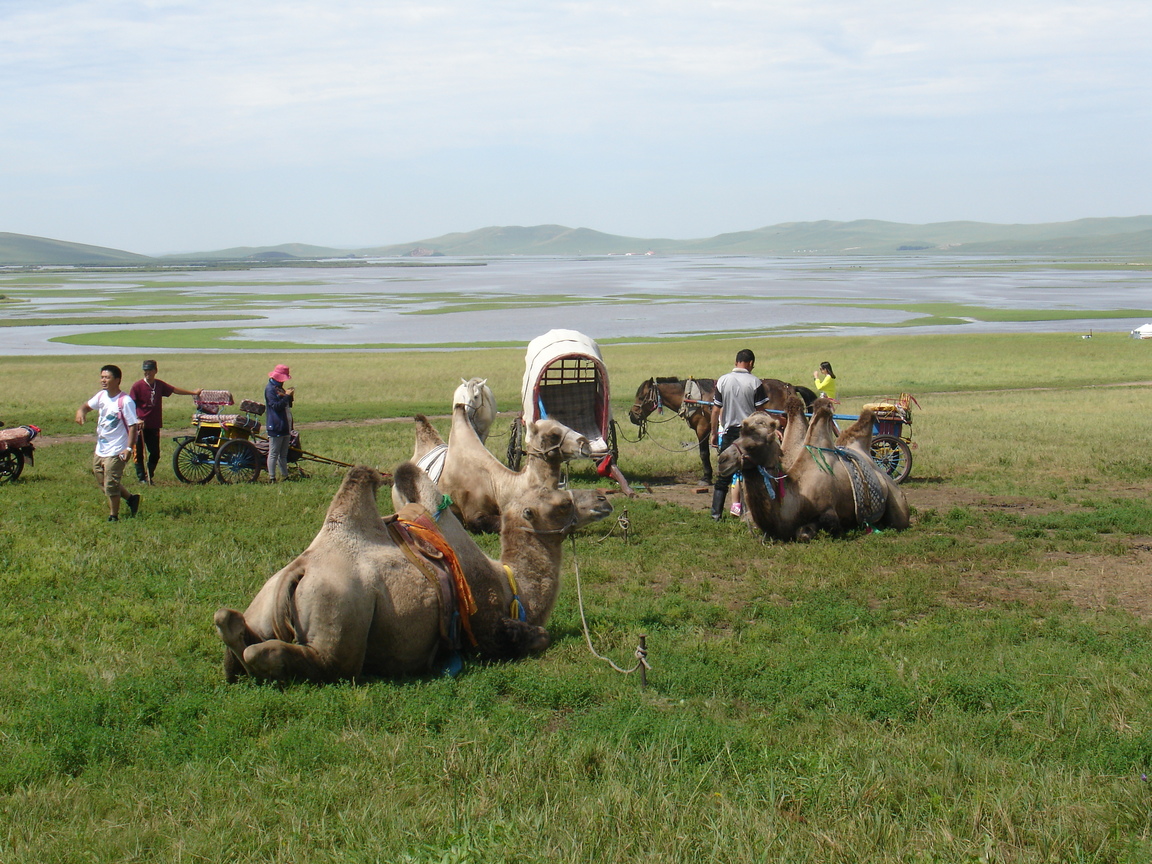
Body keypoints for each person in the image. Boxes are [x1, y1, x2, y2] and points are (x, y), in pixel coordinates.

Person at [75, 364, 141, 521]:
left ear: (117, 380)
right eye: (102, 377)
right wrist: (81, 412)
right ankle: (131, 499)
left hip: (117, 450)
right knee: (103, 481)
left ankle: (113, 516)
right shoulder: (101, 396)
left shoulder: (125, 401)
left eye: (107, 377)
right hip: (101, 448)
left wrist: (128, 449)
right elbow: (85, 406)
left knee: (111, 484)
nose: (103, 380)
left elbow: (133, 426)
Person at [710, 349, 769, 521]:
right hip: (749, 435)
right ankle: (758, 514)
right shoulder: (755, 382)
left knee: (723, 476)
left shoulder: (723, 380)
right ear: (750, 363)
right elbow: (760, 412)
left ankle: (715, 515)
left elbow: (715, 410)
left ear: (736, 362)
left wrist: (714, 433)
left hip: (728, 434)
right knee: (755, 473)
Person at [129, 359, 202, 484]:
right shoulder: (137, 386)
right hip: (139, 426)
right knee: (139, 453)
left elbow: (174, 390)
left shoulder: (159, 385)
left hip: (154, 424)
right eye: (145, 370)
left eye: (150, 370)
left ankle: (149, 475)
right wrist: (136, 419)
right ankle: (142, 477)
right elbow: (130, 404)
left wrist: (193, 393)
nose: (147, 373)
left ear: (155, 371)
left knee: (155, 453)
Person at [265, 364, 295, 482]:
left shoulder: (280, 389)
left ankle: (284, 475)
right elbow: (276, 406)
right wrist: (287, 396)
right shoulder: (270, 389)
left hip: (285, 425)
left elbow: (287, 405)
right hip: (276, 425)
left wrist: (289, 397)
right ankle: (272, 477)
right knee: (273, 453)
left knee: (283, 454)